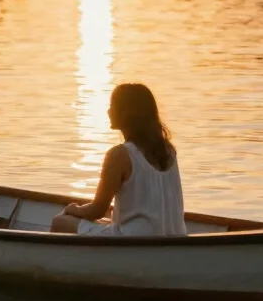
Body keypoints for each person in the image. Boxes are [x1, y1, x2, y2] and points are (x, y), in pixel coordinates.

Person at [51, 83, 186, 237]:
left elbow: (98, 210)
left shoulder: (119, 155)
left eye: (112, 106)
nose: (108, 111)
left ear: (125, 112)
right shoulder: (169, 151)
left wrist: (74, 209)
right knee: (108, 220)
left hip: (134, 242)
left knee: (60, 222)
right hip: (174, 237)